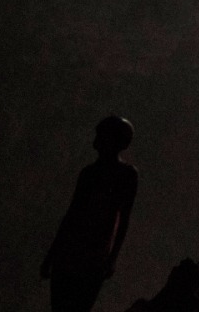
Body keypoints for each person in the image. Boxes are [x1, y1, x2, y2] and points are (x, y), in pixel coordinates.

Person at [42, 117, 139, 312]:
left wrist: (112, 258)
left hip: (86, 256)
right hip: (87, 256)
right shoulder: (108, 174)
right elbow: (73, 215)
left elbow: (73, 215)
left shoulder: (106, 175)